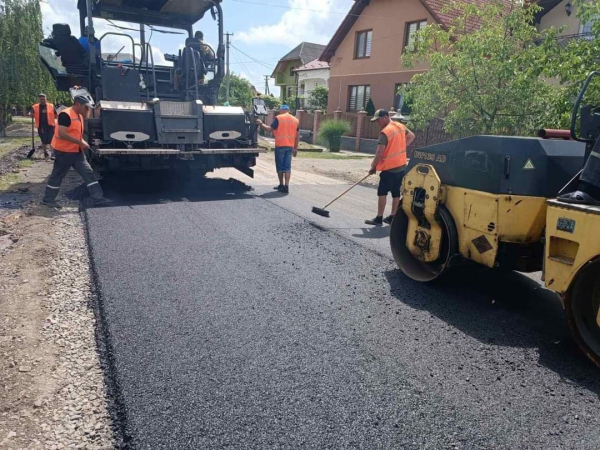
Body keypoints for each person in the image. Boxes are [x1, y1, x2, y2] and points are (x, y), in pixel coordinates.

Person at [42, 96, 110, 208]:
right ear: (78, 104)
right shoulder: (65, 114)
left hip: (76, 152)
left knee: (88, 172)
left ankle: (98, 198)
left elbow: (76, 133)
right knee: (57, 175)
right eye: (86, 107)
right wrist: (80, 142)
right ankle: (48, 199)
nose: (87, 110)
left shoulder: (78, 115)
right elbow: (62, 133)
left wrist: (82, 142)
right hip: (64, 152)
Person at [365, 109, 415, 226]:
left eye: (378, 120)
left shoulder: (386, 132)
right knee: (396, 192)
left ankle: (378, 218)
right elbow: (412, 136)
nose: (378, 123)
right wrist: (402, 147)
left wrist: (373, 167)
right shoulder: (400, 126)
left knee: (382, 192)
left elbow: (379, 153)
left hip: (390, 168)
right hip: (402, 166)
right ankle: (392, 217)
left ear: (386, 117)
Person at [256, 104, 299, 194]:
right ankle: (286, 186)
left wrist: (260, 123)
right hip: (290, 146)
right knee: (287, 166)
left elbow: (269, 129)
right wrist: (295, 148)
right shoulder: (295, 120)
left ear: (281, 110)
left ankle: (281, 184)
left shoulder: (279, 118)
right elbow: (297, 136)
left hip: (280, 146)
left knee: (280, 166)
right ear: (289, 110)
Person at [29, 94, 57, 159]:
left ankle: (52, 154)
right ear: (39, 99)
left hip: (51, 126)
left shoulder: (51, 106)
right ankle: (45, 153)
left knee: (52, 140)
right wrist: (31, 114)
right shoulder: (35, 107)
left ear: (46, 99)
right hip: (41, 127)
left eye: (44, 99)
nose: (42, 100)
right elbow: (30, 113)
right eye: (41, 99)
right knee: (44, 140)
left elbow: (56, 114)